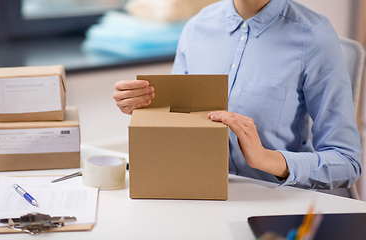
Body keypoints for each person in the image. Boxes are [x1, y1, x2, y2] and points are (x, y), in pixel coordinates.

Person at [113, 0, 362, 190]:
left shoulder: (313, 36)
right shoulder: (197, 27)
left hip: (272, 199)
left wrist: (268, 159)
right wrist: (145, 108)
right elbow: (180, 121)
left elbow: (346, 162)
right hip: (198, 190)